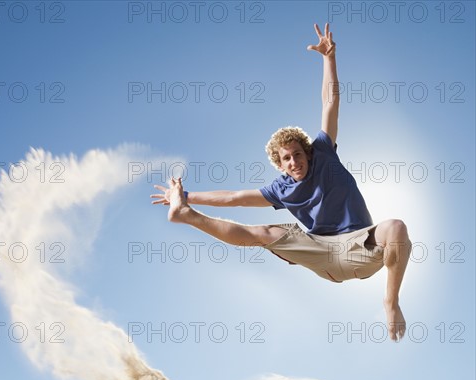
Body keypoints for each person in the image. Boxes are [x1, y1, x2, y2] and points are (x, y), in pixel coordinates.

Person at [151, 23, 411, 342]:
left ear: (307, 152)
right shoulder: (280, 189)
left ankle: (390, 302)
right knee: (263, 233)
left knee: (396, 227)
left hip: (360, 249)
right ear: (279, 163)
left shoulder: (324, 152)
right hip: (320, 252)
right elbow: (234, 197)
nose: (294, 162)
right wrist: (187, 196)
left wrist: (329, 58)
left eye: (297, 154)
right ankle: (187, 216)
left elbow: (330, 104)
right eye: (286, 159)